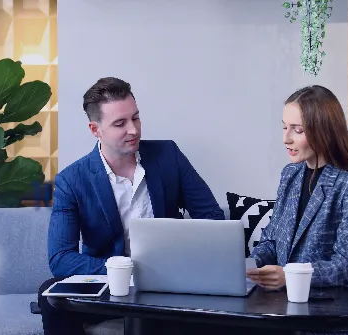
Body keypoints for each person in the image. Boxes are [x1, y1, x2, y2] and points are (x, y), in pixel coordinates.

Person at [38, 77, 225, 335]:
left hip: (168, 281)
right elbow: (60, 258)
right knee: (48, 294)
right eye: (120, 123)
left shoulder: (168, 156)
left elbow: (212, 217)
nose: (134, 130)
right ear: (95, 130)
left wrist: (184, 259)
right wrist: (123, 269)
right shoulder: (72, 180)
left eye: (135, 118)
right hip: (111, 284)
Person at [245, 85, 348, 335]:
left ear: (324, 131)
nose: (285, 139)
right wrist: (249, 265)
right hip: (294, 307)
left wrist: (288, 275)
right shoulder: (290, 175)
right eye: (284, 127)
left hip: (343, 313)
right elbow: (271, 241)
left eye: (297, 130)